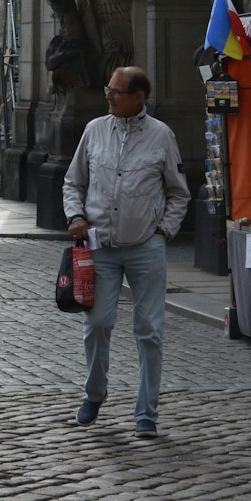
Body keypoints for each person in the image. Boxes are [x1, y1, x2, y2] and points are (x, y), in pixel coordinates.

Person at [62, 66, 189, 438]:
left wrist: (163, 231)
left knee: (149, 329)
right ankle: (94, 393)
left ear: (138, 97)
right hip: (100, 246)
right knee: (97, 324)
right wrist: (75, 215)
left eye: (116, 91)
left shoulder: (161, 136)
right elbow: (74, 182)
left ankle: (146, 412)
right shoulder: (94, 130)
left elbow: (179, 192)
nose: (109, 96)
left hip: (145, 247)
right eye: (108, 89)